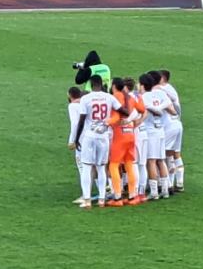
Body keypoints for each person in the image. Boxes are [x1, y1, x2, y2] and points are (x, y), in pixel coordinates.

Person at [73, 75, 125, 209]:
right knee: (102, 167)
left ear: (90, 84)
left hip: (90, 135)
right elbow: (123, 111)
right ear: (102, 84)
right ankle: (102, 200)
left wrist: (76, 138)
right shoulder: (109, 97)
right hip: (104, 136)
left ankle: (87, 200)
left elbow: (82, 120)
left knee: (87, 167)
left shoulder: (85, 98)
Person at [106, 78, 145, 207]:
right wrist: (131, 120)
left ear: (115, 86)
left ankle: (117, 198)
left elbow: (117, 115)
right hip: (130, 134)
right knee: (129, 164)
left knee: (113, 165)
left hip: (120, 135)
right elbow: (142, 109)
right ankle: (132, 196)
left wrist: (107, 122)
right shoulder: (131, 97)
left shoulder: (116, 96)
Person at [138, 73, 176, 200]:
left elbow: (146, 109)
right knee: (161, 159)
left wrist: (155, 108)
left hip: (150, 131)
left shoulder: (143, 97)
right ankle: (165, 190)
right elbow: (168, 102)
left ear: (142, 85)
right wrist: (159, 108)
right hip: (160, 130)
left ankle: (154, 192)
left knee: (151, 161)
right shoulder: (159, 93)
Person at [157, 69, 185, 192]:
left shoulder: (162, 90)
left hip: (170, 125)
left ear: (162, 78)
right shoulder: (170, 89)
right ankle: (179, 182)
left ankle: (167, 184)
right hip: (177, 123)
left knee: (163, 155)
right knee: (175, 154)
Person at [66, 86, 86, 205]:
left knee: (83, 168)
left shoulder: (72, 106)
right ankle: (104, 194)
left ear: (70, 95)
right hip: (93, 137)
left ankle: (85, 195)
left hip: (81, 141)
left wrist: (72, 140)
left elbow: (75, 124)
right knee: (98, 166)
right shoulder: (85, 103)